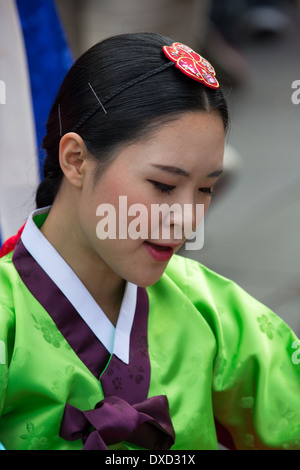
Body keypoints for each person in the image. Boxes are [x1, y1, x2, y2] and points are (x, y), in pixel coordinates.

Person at [0, 32, 299, 451]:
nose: (185, 221)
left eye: (205, 190)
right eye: (163, 185)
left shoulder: (212, 310)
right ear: (76, 160)